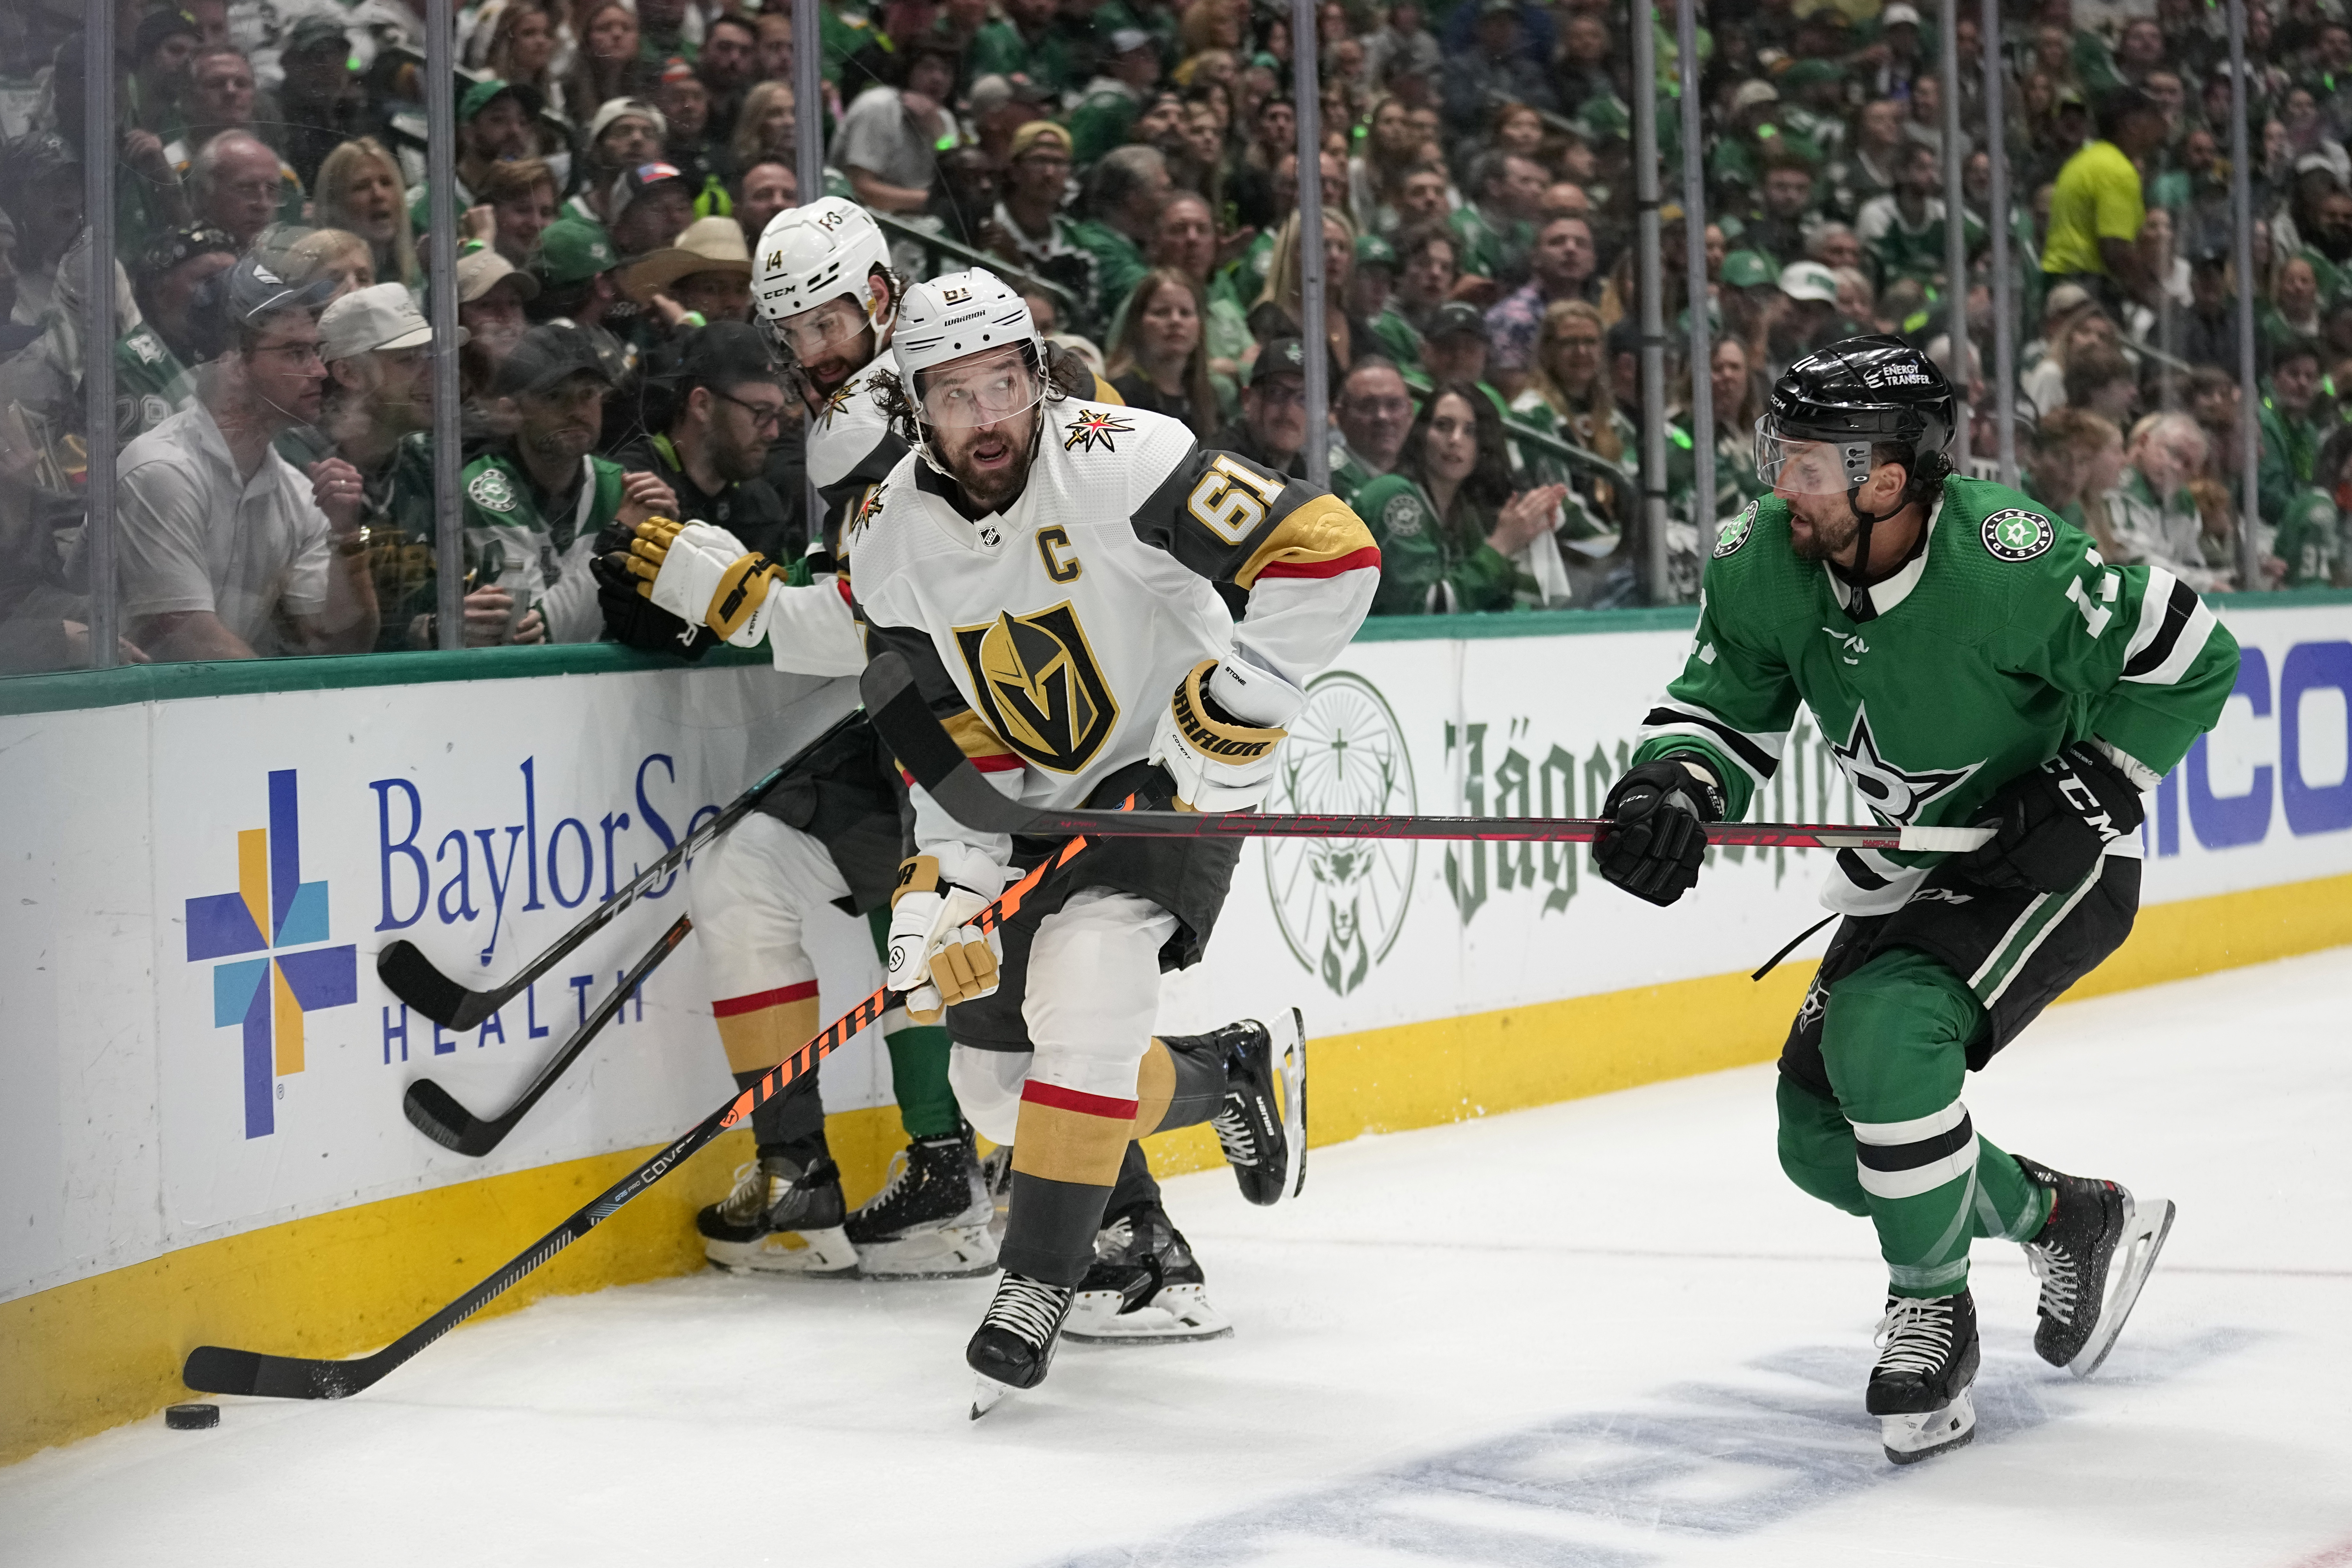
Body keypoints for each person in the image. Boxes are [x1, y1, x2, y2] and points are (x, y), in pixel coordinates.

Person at [1592, 335, 2235, 1466]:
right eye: (1778, 454)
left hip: (2045, 857)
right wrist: (1674, 784)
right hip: (1913, 858)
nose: (1777, 483)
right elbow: (1727, 708)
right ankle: (2067, 1216)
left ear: (1886, 478)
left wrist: (2093, 781)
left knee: (1888, 1033)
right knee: (1819, 1136)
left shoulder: (2009, 560)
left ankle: (1930, 1308)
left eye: (1804, 462)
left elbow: (2194, 654)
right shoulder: (1763, 560)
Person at [731, 265, 1353, 1405]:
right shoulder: (884, 539)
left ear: (1039, 377)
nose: (988, 417)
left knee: (1094, 976)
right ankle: (1224, 1075)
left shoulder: (1124, 456)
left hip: (1170, 779)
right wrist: (933, 902)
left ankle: (1034, 1287)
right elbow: (945, 738)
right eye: (957, 395)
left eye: (1005, 384)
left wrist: (1242, 704)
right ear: (916, 404)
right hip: (1031, 813)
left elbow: (1329, 548)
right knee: (996, 1088)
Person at [610, 197, 993, 1278]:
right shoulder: (883, 403)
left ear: (878, 297)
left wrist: (732, 590)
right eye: (792, 336)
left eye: (825, 324)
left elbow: (864, 614)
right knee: (740, 876)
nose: (810, 355)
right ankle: (801, 1173)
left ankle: (956, 1167)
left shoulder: (894, 409)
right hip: (918, 719)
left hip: (995, 733)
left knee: (948, 915)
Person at [116, 257, 379, 661]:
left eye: (316, 351)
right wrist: (286, 717)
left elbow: (341, 644)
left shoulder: (300, 492)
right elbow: (194, 642)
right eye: (296, 353)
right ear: (234, 365)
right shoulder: (162, 471)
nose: (320, 372)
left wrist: (347, 538)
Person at [307, 283, 501, 649]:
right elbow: (307, 634)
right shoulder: (299, 470)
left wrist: (501, 619)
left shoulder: (429, 467)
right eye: (408, 359)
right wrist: (421, 632)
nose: (434, 373)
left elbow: (474, 584)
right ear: (349, 373)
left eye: (430, 356)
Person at [461, 323, 677, 644]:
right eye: (554, 396)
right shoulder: (488, 487)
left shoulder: (621, 488)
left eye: (588, 394)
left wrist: (669, 548)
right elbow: (529, 635)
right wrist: (619, 542)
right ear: (516, 410)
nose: (577, 411)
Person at [1354, 381, 1571, 613]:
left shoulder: (1464, 509)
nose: (1455, 440)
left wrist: (1527, 530)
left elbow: (1497, 608)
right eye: (1443, 426)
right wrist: (1501, 546)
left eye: (1471, 431)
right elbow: (1427, 609)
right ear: (1422, 434)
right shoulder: (1394, 496)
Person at [609, 322, 794, 564]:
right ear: (702, 405)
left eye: (778, 415)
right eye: (761, 412)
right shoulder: (632, 488)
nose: (774, 432)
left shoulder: (762, 504)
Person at [2043, 86, 2169, 311]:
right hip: (2085, 289)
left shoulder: (2087, 159)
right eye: (2154, 116)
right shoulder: (2116, 170)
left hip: (2061, 284)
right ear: (2132, 125)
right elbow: (2116, 250)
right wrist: (2156, 298)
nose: (2163, 124)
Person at [1106, 268, 1221, 437]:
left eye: (1186, 313)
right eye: (1162, 312)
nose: (1176, 320)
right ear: (1137, 324)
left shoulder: (1208, 398)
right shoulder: (1119, 394)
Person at [1211, 334, 1311, 476]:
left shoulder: (1303, 470)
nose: (1289, 410)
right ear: (1247, 399)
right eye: (1275, 392)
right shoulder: (1222, 464)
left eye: (1304, 398)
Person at [1328, 355, 1415, 505]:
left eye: (1394, 405)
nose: (1383, 417)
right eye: (1367, 406)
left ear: (1410, 412)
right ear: (1340, 415)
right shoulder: (1323, 481)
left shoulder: (1423, 478)